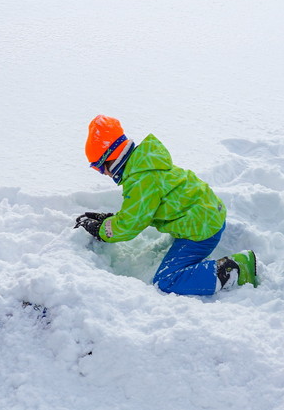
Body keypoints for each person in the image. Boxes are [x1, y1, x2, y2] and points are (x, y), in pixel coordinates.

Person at [77, 115, 257, 295]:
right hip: (207, 214)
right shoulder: (146, 163)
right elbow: (138, 211)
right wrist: (111, 220)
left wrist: (103, 231)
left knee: (166, 281)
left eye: (99, 168)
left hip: (202, 229)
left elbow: (130, 225)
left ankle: (235, 268)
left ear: (109, 159)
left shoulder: (141, 181)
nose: (103, 174)